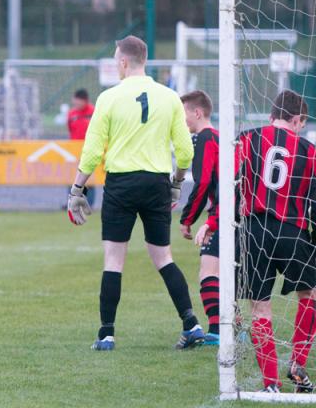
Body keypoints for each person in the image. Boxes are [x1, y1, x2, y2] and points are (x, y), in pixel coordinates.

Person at [67, 35, 203, 351]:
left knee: (114, 258)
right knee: (163, 256)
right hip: (156, 182)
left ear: (124, 62)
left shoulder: (109, 98)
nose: (117, 65)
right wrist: (176, 184)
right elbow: (184, 152)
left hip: (121, 184)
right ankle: (191, 323)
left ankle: (106, 334)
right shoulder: (169, 97)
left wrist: (77, 187)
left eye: (117, 60)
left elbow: (92, 150)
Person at [202, 90, 316, 393]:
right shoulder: (310, 151)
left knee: (260, 310)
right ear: (296, 119)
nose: (301, 129)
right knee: (311, 295)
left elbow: (230, 187)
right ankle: (297, 361)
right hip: (292, 232)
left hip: (252, 232)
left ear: (271, 116)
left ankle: (271, 385)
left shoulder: (247, 139)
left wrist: (212, 223)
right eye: (301, 123)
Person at [177, 90, 220, 347]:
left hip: (222, 214)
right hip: (235, 213)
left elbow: (203, 181)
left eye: (184, 115)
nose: (183, 121)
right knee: (222, 274)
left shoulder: (204, 138)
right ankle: (233, 325)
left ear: (197, 112)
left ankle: (216, 331)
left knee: (208, 272)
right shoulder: (219, 136)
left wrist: (188, 218)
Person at [68, 88, 96, 206]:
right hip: (75, 150)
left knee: (89, 178)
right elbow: (70, 129)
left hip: (89, 150)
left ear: (85, 101)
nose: (76, 104)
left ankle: (89, 203)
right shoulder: (71, 114)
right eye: (75, 102)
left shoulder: (94, 111)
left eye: (79, 102)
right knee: (72, 177)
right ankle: (71, 201)